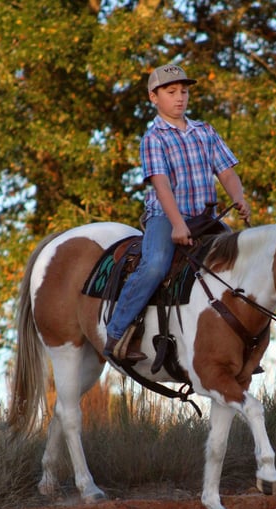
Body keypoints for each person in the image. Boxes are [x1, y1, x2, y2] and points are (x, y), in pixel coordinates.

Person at [104, 63, 251, 362]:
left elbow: (226, 172)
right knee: (156, 264)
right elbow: (162, 187)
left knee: (240, 261)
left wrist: (237, 197)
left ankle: (241, 339)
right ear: (153, 97)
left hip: (205, 217)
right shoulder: (154, 138)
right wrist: (177, 225)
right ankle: (117, 333)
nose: (180, 98)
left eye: (183, 91)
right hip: (166, 216)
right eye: (171, 92)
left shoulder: (204, 131)